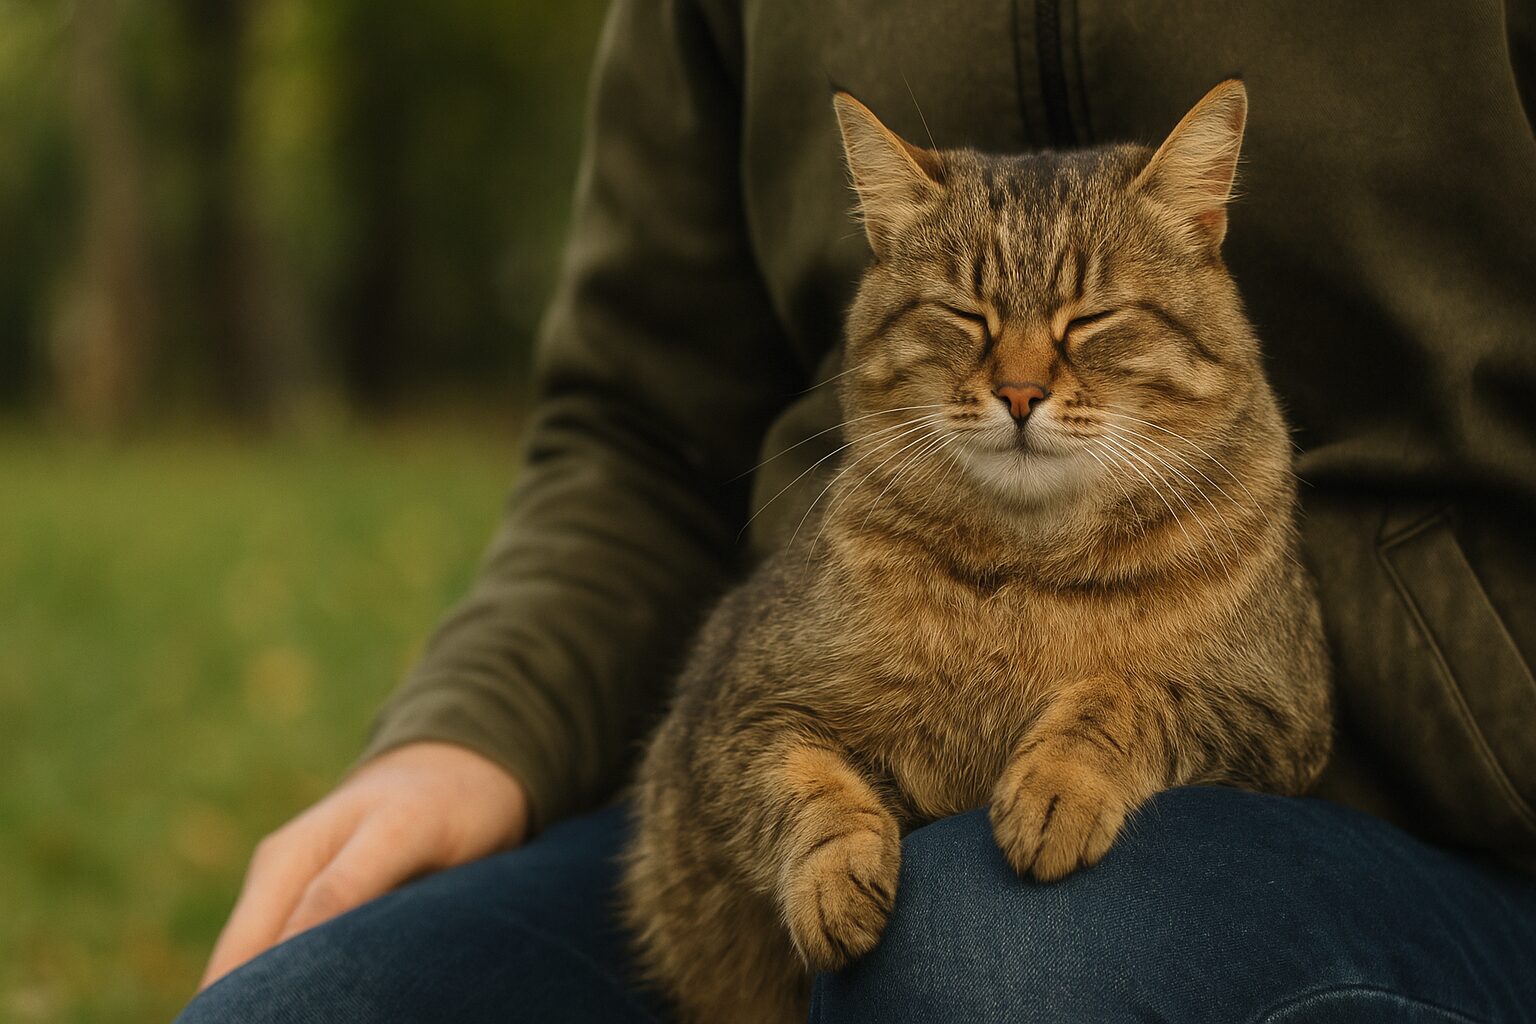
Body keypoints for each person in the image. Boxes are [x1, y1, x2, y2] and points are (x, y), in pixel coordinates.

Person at [179, 1, 1536, 1020]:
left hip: (1443, 826)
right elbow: (642, 425)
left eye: (1079, 332)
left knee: (990, 961)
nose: (1018, 383)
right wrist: (473, 731)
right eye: (971, 333)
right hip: (788, 834)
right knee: (295, 1009)